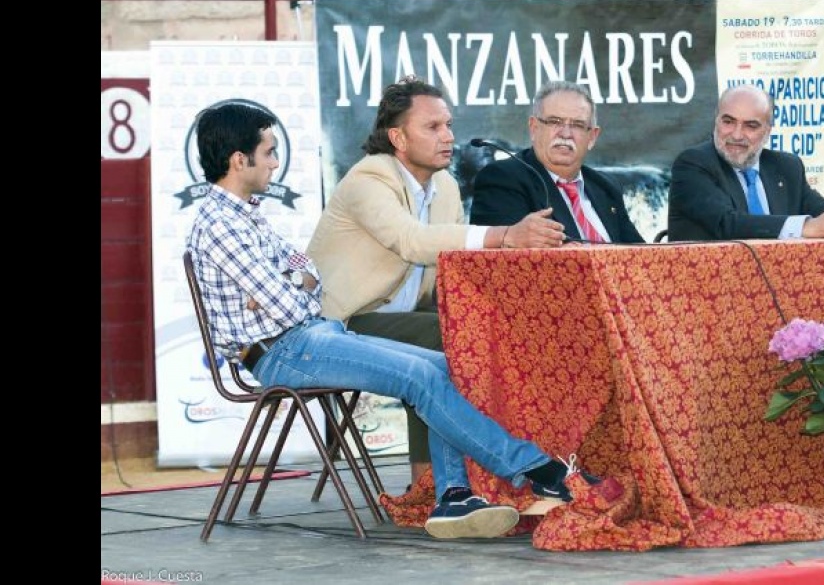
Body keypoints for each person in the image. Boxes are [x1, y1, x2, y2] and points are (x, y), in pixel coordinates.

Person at [187, 100, 594, 540]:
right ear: (238, 160)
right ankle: (537, 468)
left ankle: (455, 496)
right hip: (281, 350)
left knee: (443, 364)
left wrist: (294, 282)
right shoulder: (220, 224)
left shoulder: (247, 214)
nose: (275, 161)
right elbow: (289, 305)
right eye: (268, 152)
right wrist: (294, 285)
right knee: (420, 374)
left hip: (307, 335)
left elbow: (309, 274)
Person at [305, 77, 568, 499]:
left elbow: (456, 262)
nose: (448, 136)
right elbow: (412, 241)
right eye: (432, 127)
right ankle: (435, 485)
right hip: (343, 324)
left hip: (403, 316)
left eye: (449, 125)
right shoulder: (367, 180)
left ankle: (510, 468)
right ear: (397, 138)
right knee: (452, 339)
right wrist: (504, 236)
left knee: (498, 327)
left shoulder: (443, 184)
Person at [667, 84, 824, 241]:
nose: (737, 135)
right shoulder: (693, 164)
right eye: (728, 121)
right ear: (716, 120)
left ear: (768, 131)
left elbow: (821, 213)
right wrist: (805, 227)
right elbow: (727, 224)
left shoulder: (786, 167)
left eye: (750, 125)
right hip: (709, 290)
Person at [469, 80, 645, 244]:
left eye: (577, 125)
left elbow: (641, 254)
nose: (566, 134)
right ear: (534, 128)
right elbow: (503, 266)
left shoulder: (606, 187)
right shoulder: (503, 180)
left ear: (592, 137)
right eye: (555, 122)